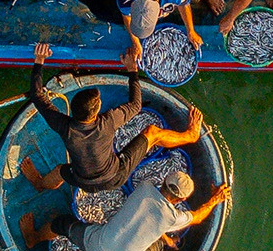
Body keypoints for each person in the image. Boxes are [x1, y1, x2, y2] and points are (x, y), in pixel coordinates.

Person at [19, 43, 203, 193]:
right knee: (153, 133)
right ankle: (190, 135)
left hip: (83, 181)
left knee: (60, 171)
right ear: (97, 111)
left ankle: (40, 184)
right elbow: (135, 105)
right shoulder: (107, 122)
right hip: (116, 175)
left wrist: (39, 60)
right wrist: (132, 70)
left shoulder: (63, 125)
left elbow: (37, 95)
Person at [21, 169, 231, 251]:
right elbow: (198, 217)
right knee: (158, 246)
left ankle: (33, 238)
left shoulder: (145, 187)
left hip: (95, 245)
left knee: (62, 223)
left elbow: (151, 213)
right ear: (180, 200)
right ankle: (164, 248)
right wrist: (215, 200)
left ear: (164, 180)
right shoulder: (174, 218)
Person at [116, 0, 223, 58]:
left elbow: (184, 5)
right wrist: (136, 43)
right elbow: (126, 16)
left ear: (160, 12)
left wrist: (191, 31)